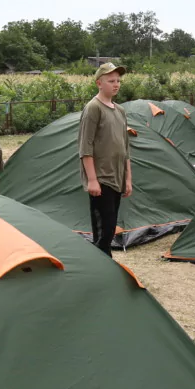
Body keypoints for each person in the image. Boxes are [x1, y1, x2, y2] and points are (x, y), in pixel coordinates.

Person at [79, 62, 132, 258]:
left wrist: (128, 179)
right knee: (103, 233)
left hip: (117, 178)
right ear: (99, 83)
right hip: (102, 179)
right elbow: (86, 147)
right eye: (111, 81)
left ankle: (105, 268)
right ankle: (101, 271)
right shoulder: (93, 108)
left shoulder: (120, 111)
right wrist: (92, 179)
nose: (116, 84)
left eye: (118, 80)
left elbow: (125, 148)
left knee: (110, 230)